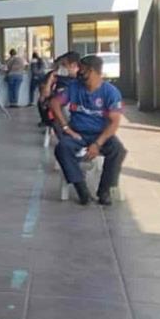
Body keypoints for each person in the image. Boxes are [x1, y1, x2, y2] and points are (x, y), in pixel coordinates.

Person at [51, 55, 127, 206]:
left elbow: (114, 123)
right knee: (62, 148)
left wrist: (97, 144)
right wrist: (66, 128)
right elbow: (54, 103)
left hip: (101, 134)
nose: (78, 72)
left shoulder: (110, 92)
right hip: (78, 133)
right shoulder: (74, 87)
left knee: (118, 150)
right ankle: (81, 189)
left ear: (91, 71)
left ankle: (104, 190)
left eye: (82, 69)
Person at [40, 51, 81, 127]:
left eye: (64, 65)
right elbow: (44, 96)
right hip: (61, 115)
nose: (61, 68)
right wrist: (50, 81)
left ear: (74, 65)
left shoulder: (82, 79)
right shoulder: (57, 77)